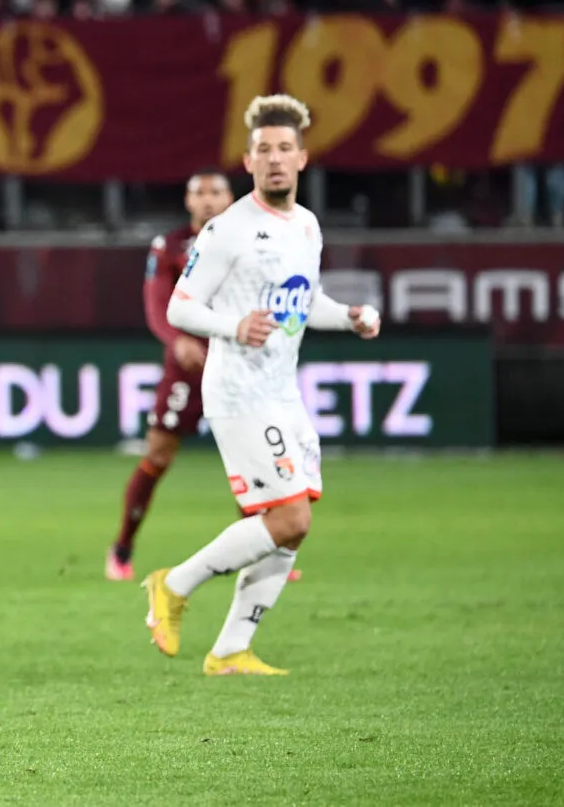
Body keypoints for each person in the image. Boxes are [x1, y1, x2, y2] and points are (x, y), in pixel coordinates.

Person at [142, 95, 380, 676]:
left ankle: (229, 650)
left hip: (281, 391)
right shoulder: (227, 230)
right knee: (289, 518)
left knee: (293, 529)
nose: (274, 159)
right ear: (248, 162)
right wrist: (233, 324)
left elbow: (301, 305)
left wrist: (346, 315)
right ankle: (172, 584)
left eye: (284, 149)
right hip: (238, 391)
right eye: (263, 151)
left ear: (302, 158)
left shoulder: (306, 226)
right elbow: (180, 307)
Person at [107, 171, 234, 582]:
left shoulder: (252, 243)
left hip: (237, 364)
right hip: (188, 368)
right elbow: (156, 302)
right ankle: (123, 546)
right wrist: (176, 340)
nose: (209, 200)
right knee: (159, 455)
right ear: (188, 202)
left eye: (216, 192)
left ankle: (267, 556)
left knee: (251, 460)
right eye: (200, 193)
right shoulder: (170, 247)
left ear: (232, 198)